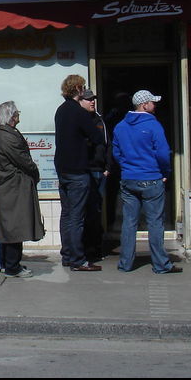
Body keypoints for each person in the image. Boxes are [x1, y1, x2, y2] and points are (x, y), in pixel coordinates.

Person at [112, 90, 181, 275]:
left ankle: (125, 263)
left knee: (129, 223)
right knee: (155, 223)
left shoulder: (120, 126)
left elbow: (116, 153)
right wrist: (165, 172)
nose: (155, 105)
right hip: (151, 178)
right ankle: (161, 264)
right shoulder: (153, 125)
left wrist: (127, 167)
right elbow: (162, 152)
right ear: (144, 105)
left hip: (129, 178)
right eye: (152, 102)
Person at [54, 74, 106, 272]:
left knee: (66, 214)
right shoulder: (79, 112)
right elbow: (97, 136)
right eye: (83, 87)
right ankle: (78, 259)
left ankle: (67, 254)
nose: (85, 91)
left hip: (63, 168)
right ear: (76, 89)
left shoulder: (61, 110)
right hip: (78, 170)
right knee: (77, 217)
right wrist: (88, 141)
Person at [0, 102, 45, 278]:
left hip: (9, 187)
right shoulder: (7, 136)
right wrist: (35, 173)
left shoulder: (1, 134)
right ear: (12, 116)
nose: (18, 116)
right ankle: (13, 265)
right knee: (15, 227)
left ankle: (11, 262)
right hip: (13, 187)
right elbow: (24, 160)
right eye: (17, 113)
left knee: (11, 226)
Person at [80, 89, 110, 263]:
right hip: (85, 170)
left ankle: (95, 248)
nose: (92, 102)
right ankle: (86, 248)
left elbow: (107, 144)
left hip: (99, 170)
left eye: (93, 99)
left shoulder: (99, 120)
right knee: (84, 212)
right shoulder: (79, 118)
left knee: (96, 211)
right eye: (88, 99)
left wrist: (107, 166)